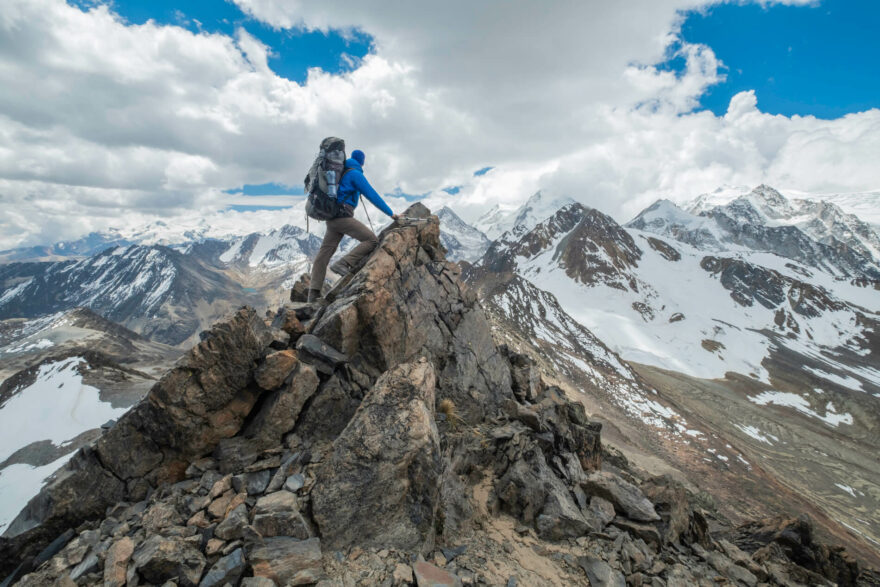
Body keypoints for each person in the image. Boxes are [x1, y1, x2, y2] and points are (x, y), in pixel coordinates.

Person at [308, 149, 398, 302]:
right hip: (342, 218)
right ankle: (343, 263)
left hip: (331, 218)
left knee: (323, 254)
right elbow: (372, 195)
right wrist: (391, 214)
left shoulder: (341, 172)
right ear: (362, 161)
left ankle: (313, 295)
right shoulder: (355, 174)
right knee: (372, 240)